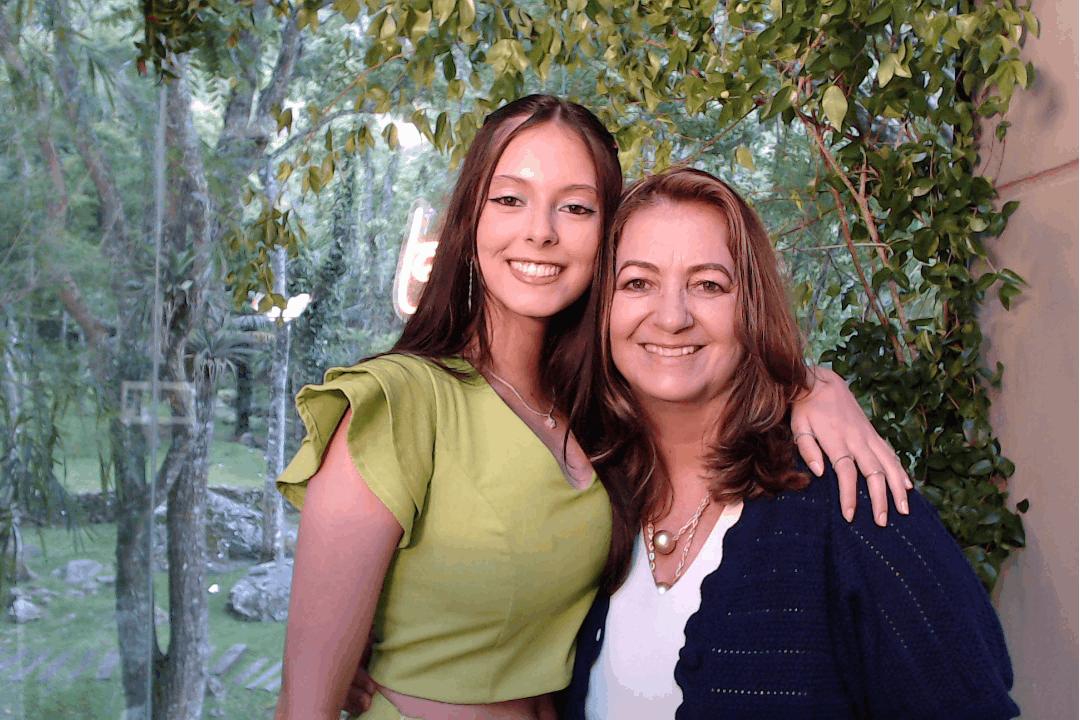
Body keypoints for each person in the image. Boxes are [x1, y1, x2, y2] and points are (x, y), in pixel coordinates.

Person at [274, 96, 909, 720]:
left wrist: (811, 385)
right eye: (510, 199)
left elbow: (705, 364)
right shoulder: (400, 403)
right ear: (470, 218)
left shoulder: (601, 416)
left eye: (576, 207)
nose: (541, 231)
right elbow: (303, 706)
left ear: (607, 237)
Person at [563, 167, 1020, 719]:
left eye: (709, 285)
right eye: (638, 282)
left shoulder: (850, 502)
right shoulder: (582, 489)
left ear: (751, 308)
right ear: (602, 307)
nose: (672, 316)